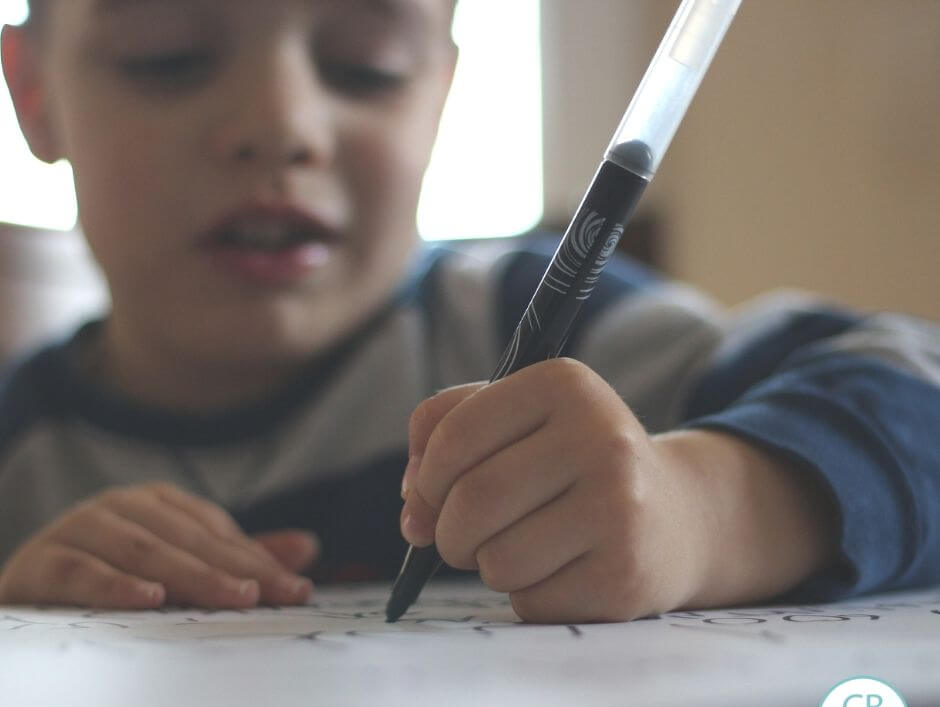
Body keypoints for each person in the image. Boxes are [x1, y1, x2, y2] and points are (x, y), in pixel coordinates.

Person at [0, 0, 937, 623]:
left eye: (366, 68)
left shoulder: (535, 326)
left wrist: (703, 508)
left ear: (440, 96)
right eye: (168, 60)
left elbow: (916, 386)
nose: (281, 124)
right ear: (33, 91)